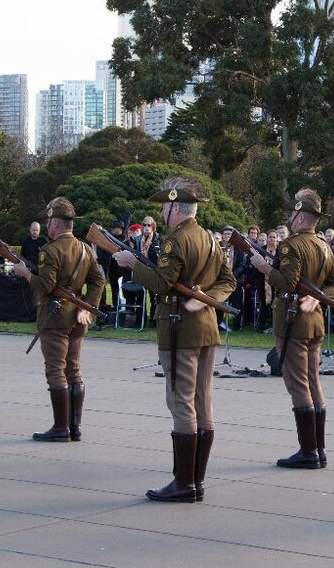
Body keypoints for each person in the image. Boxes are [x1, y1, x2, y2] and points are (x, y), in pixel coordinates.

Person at [112, 177, 236, 503]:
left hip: (181, 330)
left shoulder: (175, 241)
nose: (162, 212)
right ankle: (195, 482)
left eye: (164, 208)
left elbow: (163, 284)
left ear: (175, 209)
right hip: (207, 329)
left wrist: (133, 265)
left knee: (181, 403)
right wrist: (207, 299)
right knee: (202, 403)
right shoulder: (209, 240)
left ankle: (184, 484)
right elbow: (228, 280)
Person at [249, 188, 334, 470]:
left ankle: (308, 451)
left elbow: (287, 283)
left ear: (302, 216)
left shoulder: (292, 245)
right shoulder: (324, 245)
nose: (291, 217)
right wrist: (318, 297)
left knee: (298, 383)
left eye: (294, 213)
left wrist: (264, 267)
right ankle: (319, 449)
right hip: (315, 321)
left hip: (292, 321)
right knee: (313, 381)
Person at [12, 198, 105, 443]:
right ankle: (74, 427)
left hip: (55, 318)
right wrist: (88, 307)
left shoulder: (50, 251)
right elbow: (98, 281)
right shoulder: (85, 248)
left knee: (56, 371)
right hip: (78, 317)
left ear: (54, 223)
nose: (46, 225)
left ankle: (61, 428)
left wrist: (25, 274)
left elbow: (45, 286)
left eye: (48, 221)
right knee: (73, 370)